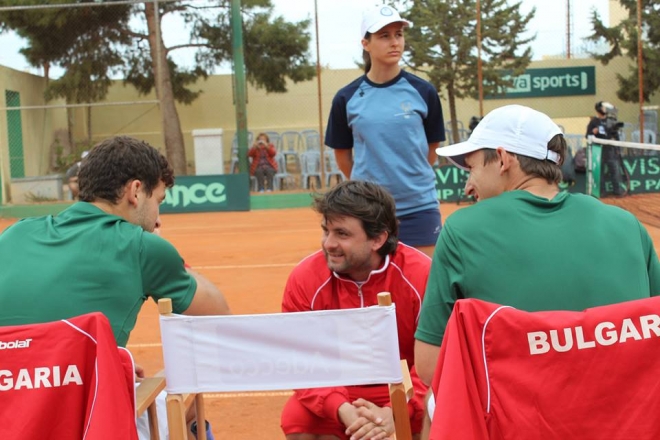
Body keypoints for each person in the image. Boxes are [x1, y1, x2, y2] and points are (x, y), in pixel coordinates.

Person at [0, 135, 230, 439]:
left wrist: (108, 361)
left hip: (13, 411)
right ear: (136, 192)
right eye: (158, 201)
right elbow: (218, 315)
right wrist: (167, 253)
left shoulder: (15, 234)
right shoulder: (142, 247)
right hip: (86, 420)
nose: (157, 216)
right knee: (189, 405)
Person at [414, 104, 660, 388]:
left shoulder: (461, 230)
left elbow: (431, 367)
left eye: (471, 168)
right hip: (627, 423)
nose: (468, 186)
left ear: (504, 159)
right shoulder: (628, 224)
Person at [280, 180, 431, 440]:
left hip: (404, 387)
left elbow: (437, 358)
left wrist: (396, 410)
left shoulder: (421, 275)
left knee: (435, 411)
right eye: (326, 231)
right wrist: (341, 408)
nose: (328, 243)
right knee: (299, 420)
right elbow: (300, 359)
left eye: (342, 234)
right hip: (338, 389)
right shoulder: (305, 278)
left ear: (378, 238)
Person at [324, 5, 446, 257]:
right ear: (365, 44)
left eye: (398, 34)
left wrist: (410, 180)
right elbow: (343, 156)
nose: (395, 42)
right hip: (368, 212)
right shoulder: (346, 98)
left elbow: (432, 148)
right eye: (384, 36)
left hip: (419, 207)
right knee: (373, 288)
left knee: (423, 285)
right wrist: (369, 192)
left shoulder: (424, 91)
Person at [585, 101, 626, 197]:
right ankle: (602, 192)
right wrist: (593, 132)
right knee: (600, 172)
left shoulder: (611, 120)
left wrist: (618, 148)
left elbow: (616, 135)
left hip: (610, 150)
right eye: (603, 108)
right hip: (598, 150)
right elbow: (587, 136)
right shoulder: (594, 122)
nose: (605, 110)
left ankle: (617, 191)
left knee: (614, 170)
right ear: (599, 109)